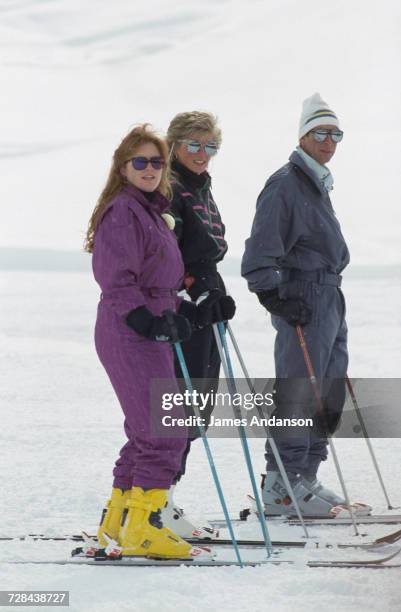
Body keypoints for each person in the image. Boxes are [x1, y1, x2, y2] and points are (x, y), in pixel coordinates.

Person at [84, 124, 213, 559]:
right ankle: (145, 527)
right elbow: (118, 279)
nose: (150, 169)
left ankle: (121, 519)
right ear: (123, 167)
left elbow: (160, 279)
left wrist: (182, 312)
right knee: (165, 430)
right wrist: (146, 320)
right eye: (140, 161)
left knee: (146, 430)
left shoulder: (149, 211)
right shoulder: (124, 211)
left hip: (147, 324)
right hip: (128, 329)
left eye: (157, 162)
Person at [241, 93, 367, 516]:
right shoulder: (286, 184)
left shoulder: (315, 183)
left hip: (330, 296)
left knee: (327, 389)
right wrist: (274, 295)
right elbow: (261, 251)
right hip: (304, 297)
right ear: (303, 136)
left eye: (336, 134)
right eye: (320, 133)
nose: (329, 141)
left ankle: (306, 477)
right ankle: (283, 484)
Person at [162, 111, 236, 537]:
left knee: (200, 400)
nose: (203, 154)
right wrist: (194, 288)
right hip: (182, 306)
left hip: (205, 301)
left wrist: (215, 291)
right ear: (173, 145)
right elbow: (169, 252)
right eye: (194, 145)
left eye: (210, 147)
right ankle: (158, 498)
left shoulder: (201, 187)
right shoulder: (169, 188)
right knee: (178, 401)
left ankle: (166, 498)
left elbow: (208, 248)